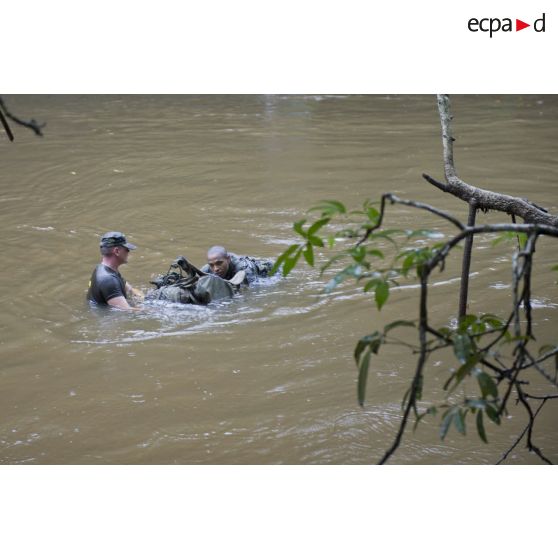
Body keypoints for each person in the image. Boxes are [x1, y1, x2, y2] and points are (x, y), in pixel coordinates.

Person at [87, 231, 143, 310]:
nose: (128, 252)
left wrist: (135, 292)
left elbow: (127, 286)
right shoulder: (108, 280)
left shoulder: (101, 268)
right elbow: (127, 310)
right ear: (117, 251)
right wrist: (159, 311)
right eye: (126, 249)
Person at [200, 245, 273, 284]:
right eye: (211, 265)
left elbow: (248, 291)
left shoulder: (244, 270)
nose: (215, 268)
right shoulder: (207, 269)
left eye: (219, 263)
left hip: (268, 272)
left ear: (228, 259)